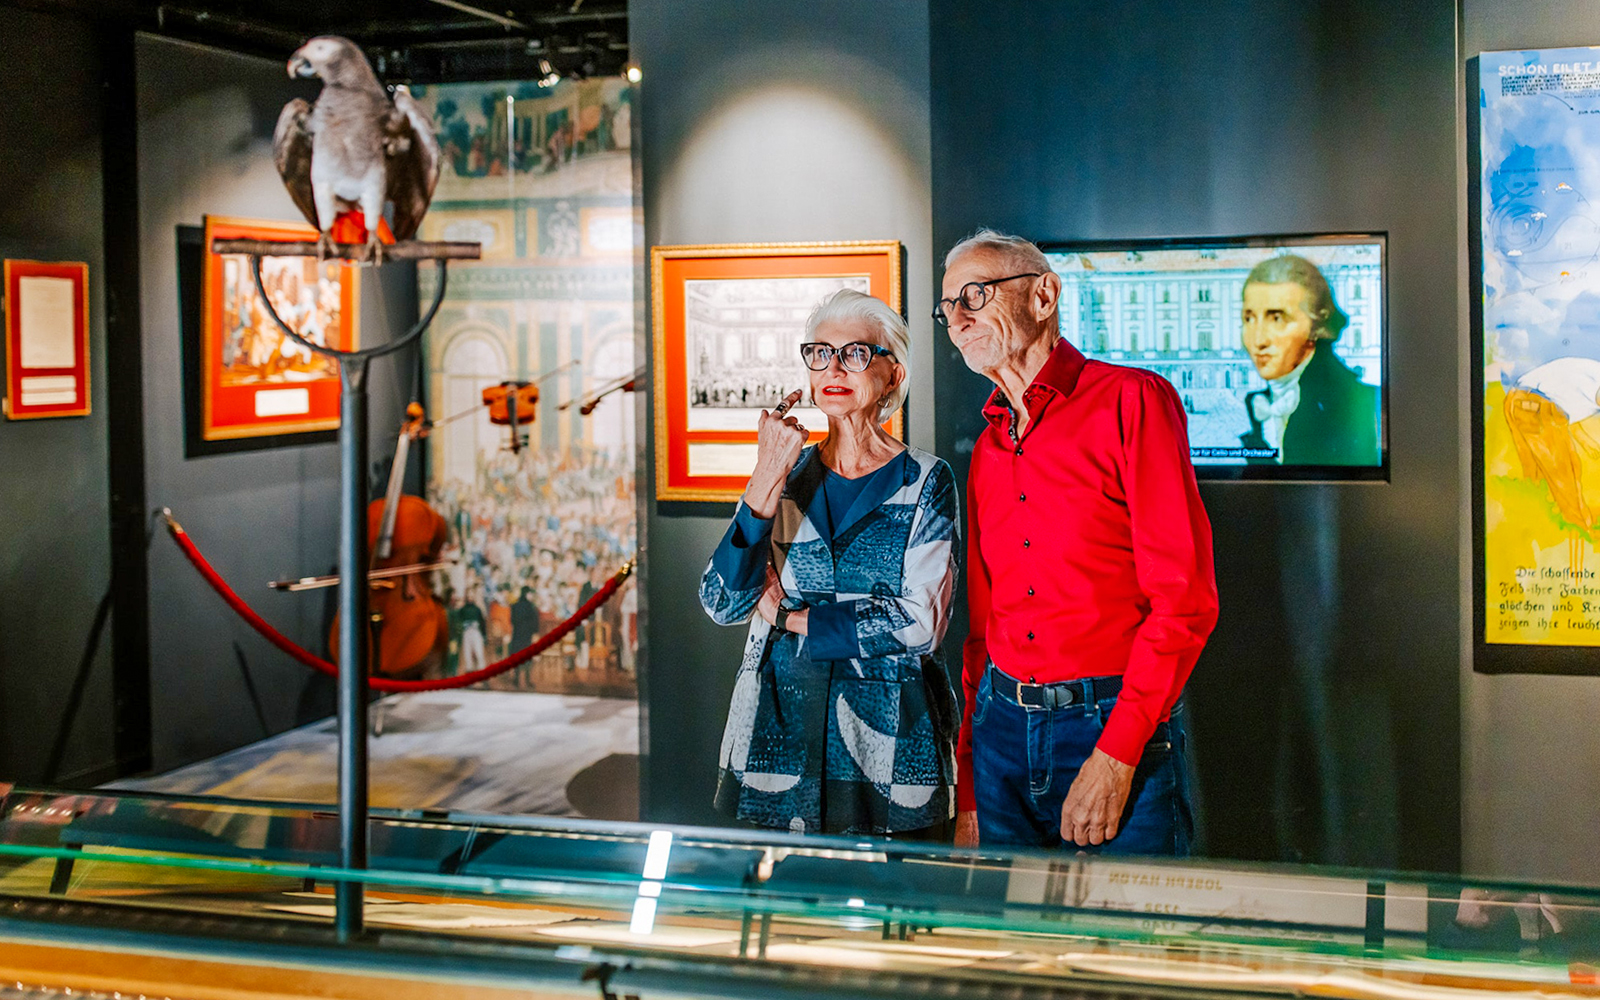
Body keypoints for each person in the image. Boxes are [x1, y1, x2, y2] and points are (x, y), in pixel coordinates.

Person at [940, 229, 1217, 854]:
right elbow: (982, 630)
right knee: (1018, 947)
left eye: (975, 295)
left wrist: (1118, 754)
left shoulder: (1132, 401)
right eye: (947, 306)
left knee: (1133, 942)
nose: (957, 320)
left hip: (1111, 724)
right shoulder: (988, 448)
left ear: (1044, 296)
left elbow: (1185, 602)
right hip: (1001, 735)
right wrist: (971, 783)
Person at [700, 289, 960, 837]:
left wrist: (793, 619)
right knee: (787, 910)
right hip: (778, 731)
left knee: (894, 909)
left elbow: (920, 625)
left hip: (888, 742)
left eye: (855, 353)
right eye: (819, 353)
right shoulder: (783, 476)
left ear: (892, 376)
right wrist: (764, 479)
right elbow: (724, 602)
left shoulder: (924, 481)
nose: (834, 367)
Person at [1237, 255, 1380, 466]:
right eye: (1249, 318)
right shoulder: (1254, 402)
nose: (1258, 340)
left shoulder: (1363, 403)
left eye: (1276, 318)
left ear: (1317, 327)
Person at [1502, 356, 1600, 527]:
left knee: (1537, 475)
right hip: (1538, 406)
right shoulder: (1595, 375)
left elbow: (1567, 405)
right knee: (1564, 472)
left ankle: (1544, 526)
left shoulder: (1587, 376)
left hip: (1519, 402)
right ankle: (1580, 526)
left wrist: (1585, 441)